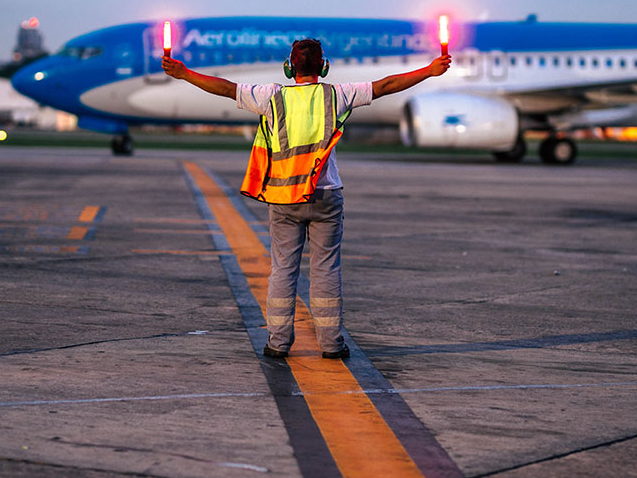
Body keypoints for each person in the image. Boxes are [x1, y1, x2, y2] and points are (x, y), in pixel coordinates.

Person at [163, 39, 451, 359]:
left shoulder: (271, 96)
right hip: (326, 196)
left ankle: (278, 342)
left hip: (284, 197)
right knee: (326, 269)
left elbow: (226, 88)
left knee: (283, 269)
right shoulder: (337, 95)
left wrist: (185, 73)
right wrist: (429, 71)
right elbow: (387, 85)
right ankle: (331, 344)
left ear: (290, 67)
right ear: (323, 66)